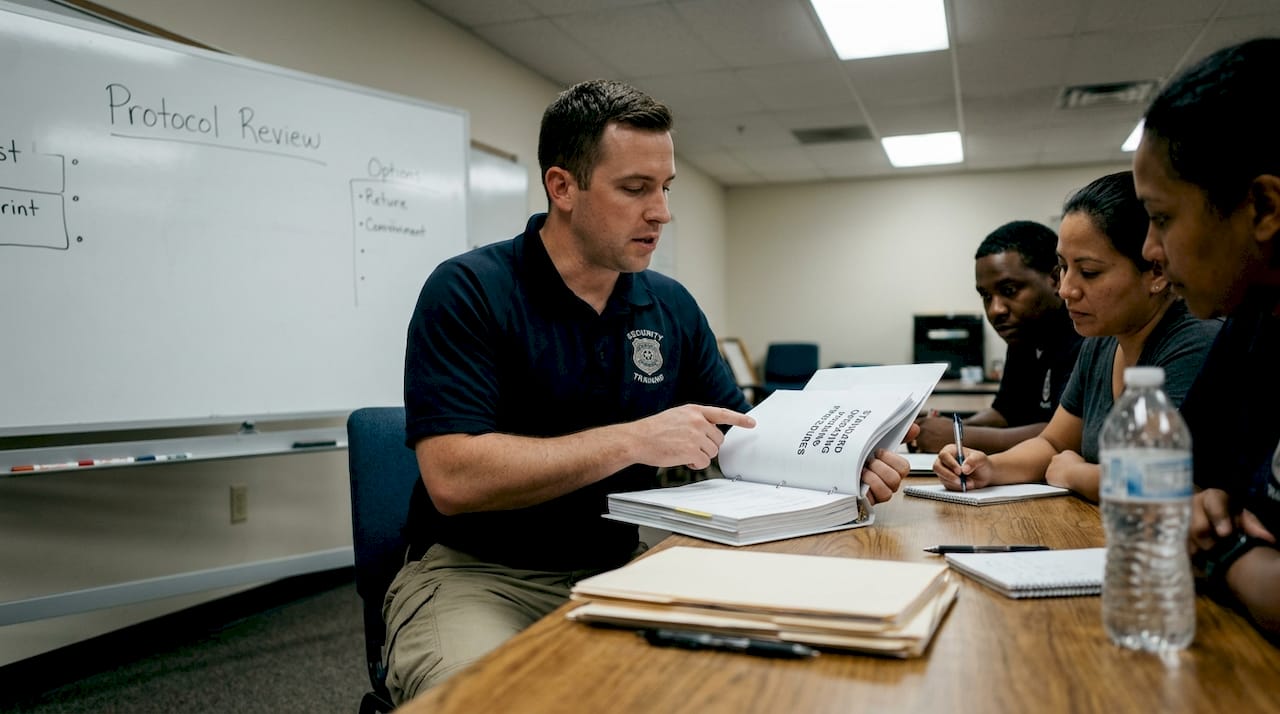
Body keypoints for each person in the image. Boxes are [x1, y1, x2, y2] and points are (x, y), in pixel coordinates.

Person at [385, 79, 920, 702]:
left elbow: (738, 437)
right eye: (635, 189)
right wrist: (633, 440)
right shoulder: (469, 290)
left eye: (665, 189)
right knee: (483, 699)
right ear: (563, 187)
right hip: (481, 574)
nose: (661, 211)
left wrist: (842, 460)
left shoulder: (668, 303)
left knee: (754, 686)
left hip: (628, 565)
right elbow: (453, 478)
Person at [932, 171, 1220, 501]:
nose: (1066, 289)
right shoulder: (1101, 342)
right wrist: (986, 467)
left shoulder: (1196, 342)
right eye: (1064, 268)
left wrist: (1073, 472)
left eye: (1089, 272)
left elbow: (1166, 483)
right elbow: (1052, 443)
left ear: (1156, 271)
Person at [1133, 37, 1280, 637]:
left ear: (1264, 206)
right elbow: (1180, 494)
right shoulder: (1253, 320)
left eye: (1162, 217)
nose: (1150, 250)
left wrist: (1225, 554)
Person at [914, 221, 1083, 454]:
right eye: (985, 296)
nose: (995, 310)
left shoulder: (1083, 335)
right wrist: (946, 426)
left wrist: (960, 436)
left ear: (1055, 280)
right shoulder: (1022, 338)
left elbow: (1064, 433)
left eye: (1009, 290)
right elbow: (1004, 413)